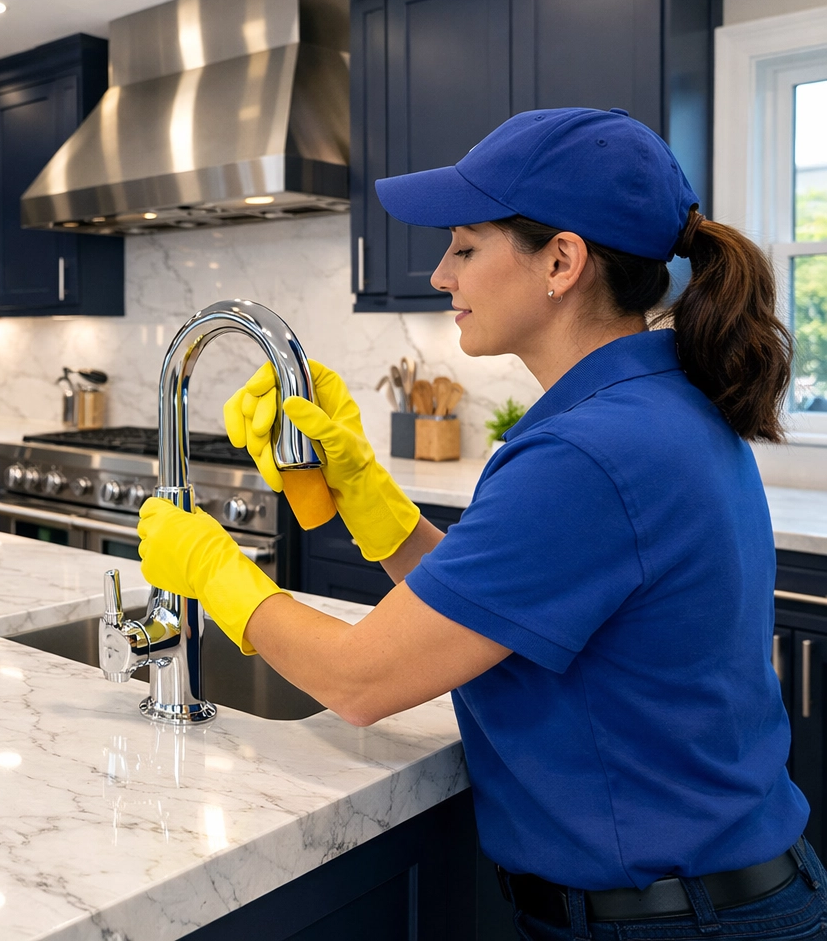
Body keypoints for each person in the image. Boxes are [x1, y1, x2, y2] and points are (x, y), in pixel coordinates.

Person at [136, 107, 825, 940]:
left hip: (673, 923)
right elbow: (483, 608)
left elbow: (362, 682)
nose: (439, 274)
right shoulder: (650, 408)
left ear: (561, 262)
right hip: (708, 901)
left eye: (464, 246)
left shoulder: (592, 453)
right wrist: (365, 493)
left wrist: (214, 569)